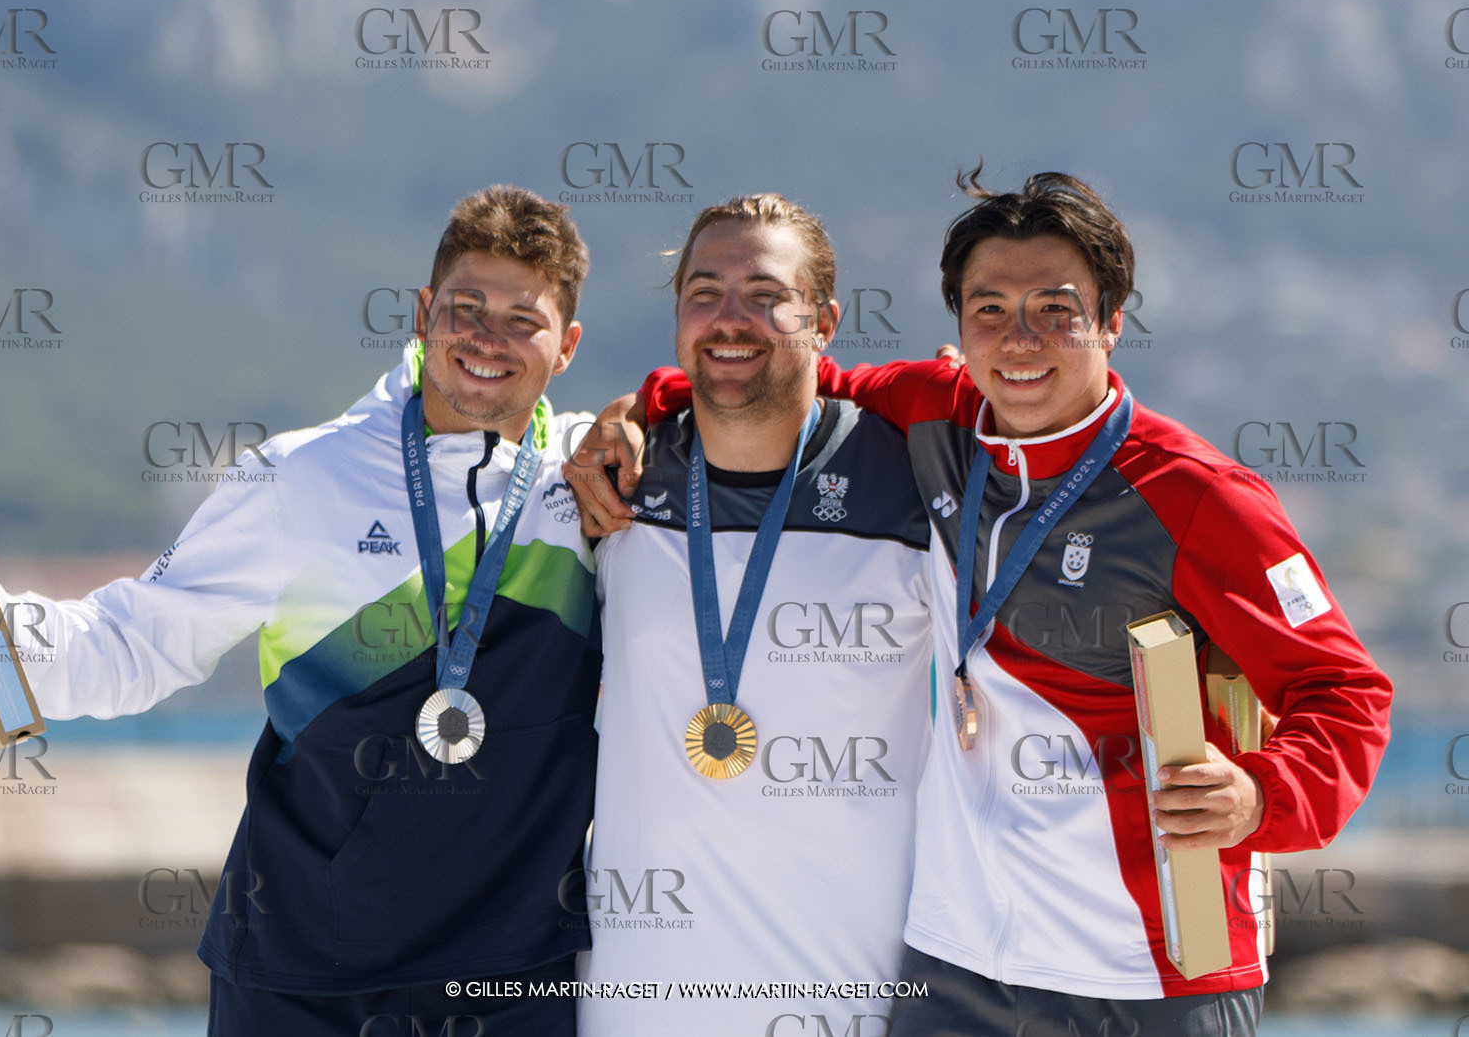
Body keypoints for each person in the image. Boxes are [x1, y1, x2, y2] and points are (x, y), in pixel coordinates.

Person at [573, 170, 1393, 1036]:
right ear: (960, 324)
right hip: (957, 969)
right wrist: (643, 406)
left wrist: (1262, 793)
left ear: (1114, 321)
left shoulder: (1196, 496)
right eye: (990, 309)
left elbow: (1348, 693)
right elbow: (772, 371)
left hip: (1150, 971)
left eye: (1056, 308)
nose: (1020, 338)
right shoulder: (939, 415)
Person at [0, 186, 602, 1036]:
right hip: (300, 973)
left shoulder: (594, 483)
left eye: (521, 320)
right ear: (422, 314)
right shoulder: (300, 477)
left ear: (566, 346)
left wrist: (649, 408)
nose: (487, 340)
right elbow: (137, 642)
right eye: (466, 307)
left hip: (510, 980)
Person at [566, 193, 934, 1036]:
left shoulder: (914, 481)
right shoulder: (612, 475)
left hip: (852, 1002)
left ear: (825, 319)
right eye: (704, 293)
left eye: (765, 295)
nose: (730, 320)